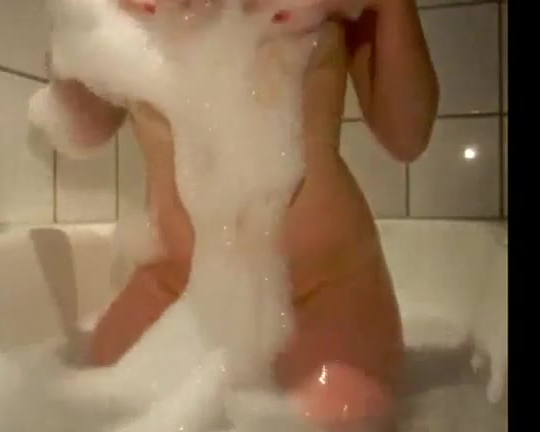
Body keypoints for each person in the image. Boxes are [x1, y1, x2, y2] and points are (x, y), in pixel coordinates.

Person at [46, 0, 438, 429]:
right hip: (172, 286)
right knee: (88, 407)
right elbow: (82, 130)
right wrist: (81, 17)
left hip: (324, 287)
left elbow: (407, 136)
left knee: (341, 417)